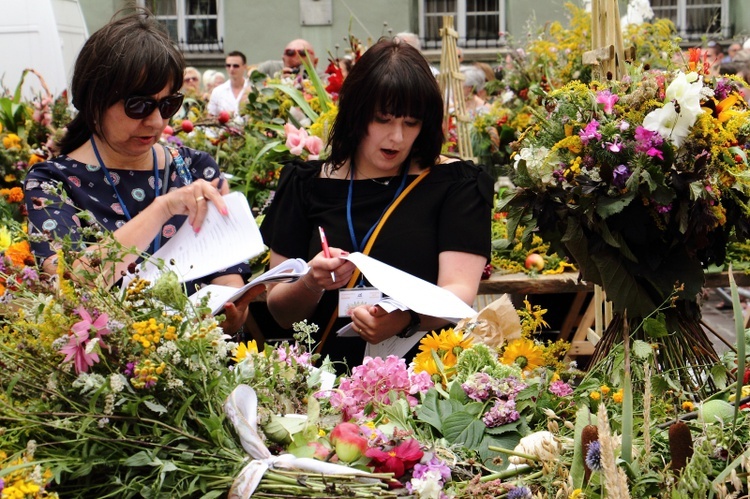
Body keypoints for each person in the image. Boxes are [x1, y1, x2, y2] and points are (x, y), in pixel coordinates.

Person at [259, 38, 493, 369]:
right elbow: (280, 311)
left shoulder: (456, 184)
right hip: (321, 381)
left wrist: (405, 318)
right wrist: (311, 282)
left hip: (424, 378)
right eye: (383, 119)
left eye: (411, 123)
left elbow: (457, 291)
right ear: (356, 115)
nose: (397, 137)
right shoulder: (304, 184)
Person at [23, 10, 252, 335]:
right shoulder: (52, 182)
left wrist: (232, 314)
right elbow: (70, 281)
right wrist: (162, 209)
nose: (157, 122)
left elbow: (228, 274)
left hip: (198, 367)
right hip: (106, 369)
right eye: (139, 106)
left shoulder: (195, 169)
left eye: (168, 105)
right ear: (94, 100)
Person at [207, 50, 250, 116]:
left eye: (235, 66)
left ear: (244, 67)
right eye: (228, 65)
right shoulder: (217, 91)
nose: (231, 69)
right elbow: (210, 116)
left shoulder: (253, 89)